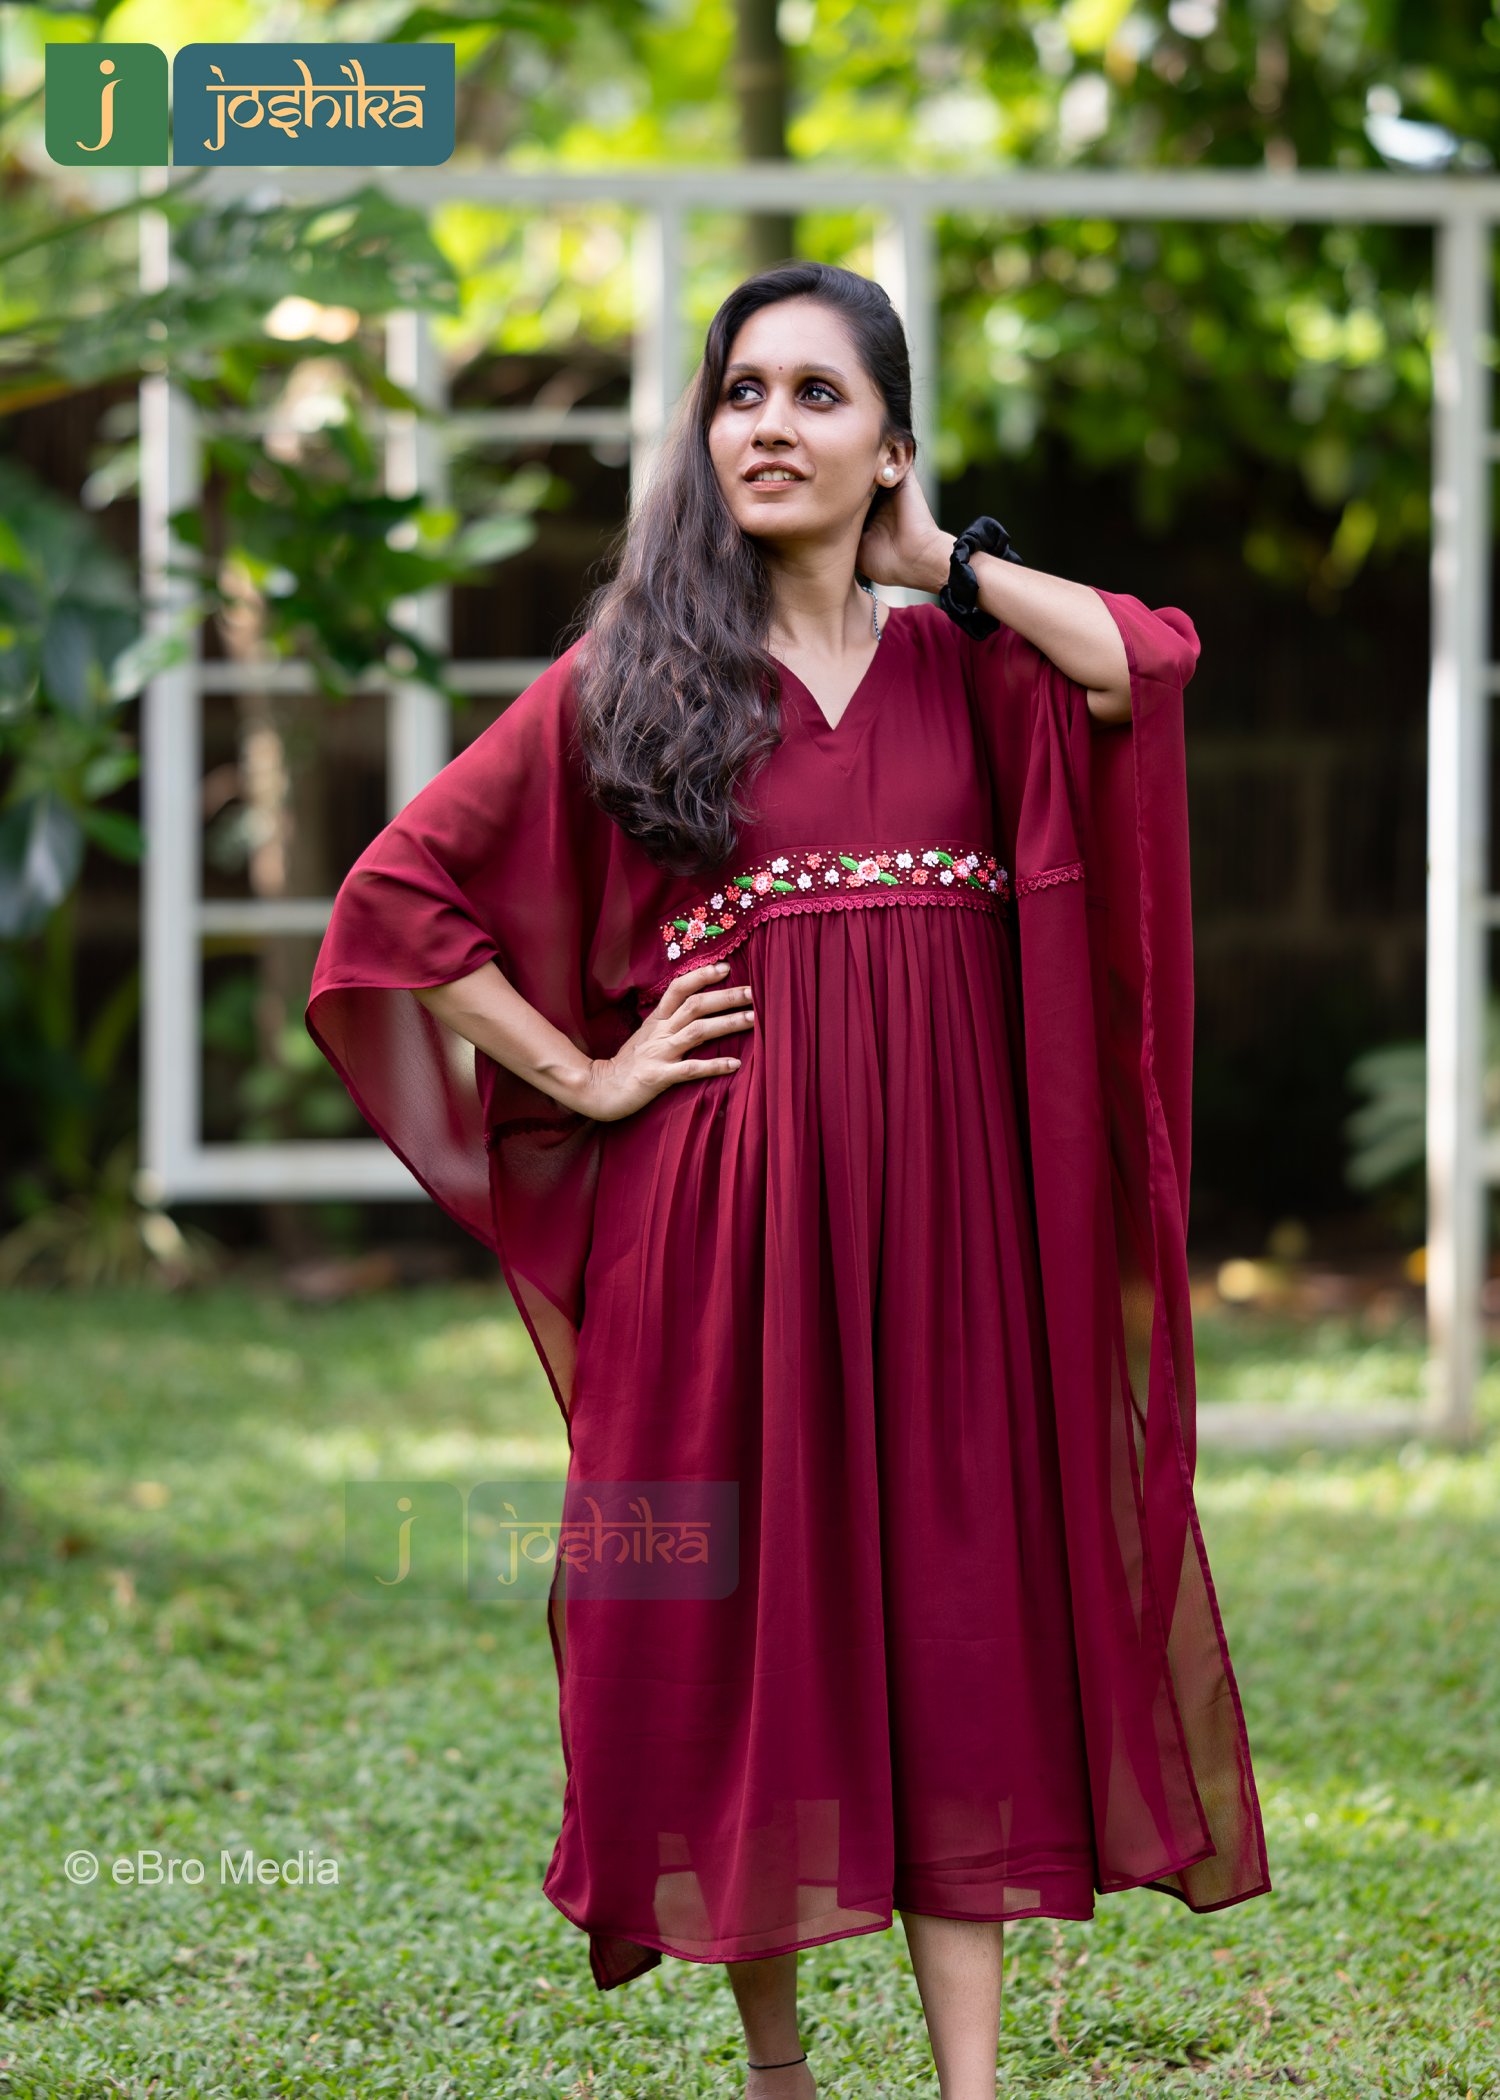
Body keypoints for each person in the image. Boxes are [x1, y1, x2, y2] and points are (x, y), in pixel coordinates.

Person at [306, 261, 1272, 2100]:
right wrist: (586, 1073)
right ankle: (780, 2076)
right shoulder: (636, 678)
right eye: (740, 391)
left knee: (959, 1624)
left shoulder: (974, 671)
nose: (766, 423)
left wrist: (949, 565)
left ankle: (969, 2089)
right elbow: (396, 900)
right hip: (724, 1226)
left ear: (892, 448)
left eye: (819, 395)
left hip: (953, 1234)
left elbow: (1150, 658)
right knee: (754, 1628)